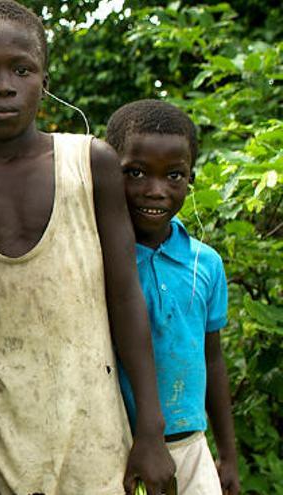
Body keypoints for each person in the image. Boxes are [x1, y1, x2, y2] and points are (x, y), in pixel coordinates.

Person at [0, 1, 176, 493]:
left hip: (95, 437)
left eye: (22, 69)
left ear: (45, 80)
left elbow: (125, 297)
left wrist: (150, 430)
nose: (3, 85)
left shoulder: (89, 164)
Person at [107, 99, 240, 495]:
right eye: (135, 172)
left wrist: (228, 455)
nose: (156, 191)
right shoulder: (99, 260)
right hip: (118, 448)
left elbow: (212, 359)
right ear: (108, 171)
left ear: (190, 178)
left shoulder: (205, 264)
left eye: (175, 176)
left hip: (191, 446)